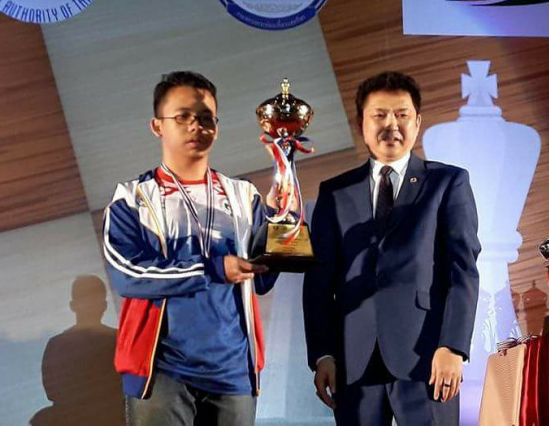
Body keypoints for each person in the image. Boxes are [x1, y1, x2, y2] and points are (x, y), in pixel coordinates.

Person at [303, 71, 481, 425]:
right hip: (353, 361)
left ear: (417, 122)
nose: (391, 125)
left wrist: (453, 346)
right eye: (379, 115)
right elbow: (319, 283)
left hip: (428, 357)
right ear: (361, 123)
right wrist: (323, 354)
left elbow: (463, 271)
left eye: (401, 115)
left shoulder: (447, 182)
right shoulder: (334, 193)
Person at [102, 71, 278, 425]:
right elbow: (128, 275)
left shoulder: (243, 196)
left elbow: (262, 278)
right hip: (163, 372)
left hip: (233, 372)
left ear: (217, 126)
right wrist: (212, 268)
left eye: (206, 117)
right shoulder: (133, 199)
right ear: (157, 126)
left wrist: (284, 219)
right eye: (182, 116)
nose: (196, 126)